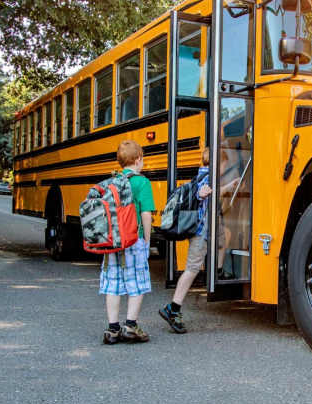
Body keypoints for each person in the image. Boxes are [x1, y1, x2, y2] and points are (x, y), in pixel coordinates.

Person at [159, 146, 236, 333]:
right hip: (201, 231)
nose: (225, 167)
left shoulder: (203, 174)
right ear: (219, 162)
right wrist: (204, 193)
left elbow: (211, 192)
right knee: (192, 269)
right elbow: (204, 192)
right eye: (224, 163)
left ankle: (217, 271)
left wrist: (226, 187)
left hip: (207, 229)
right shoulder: (208, 177)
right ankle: (173, 308)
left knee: (224, 237)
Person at [101, 140, 156, 344]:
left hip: (112, 240)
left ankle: (112, 329)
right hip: (133, 240)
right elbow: (146, 214)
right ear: (138, 159)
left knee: (113, 283)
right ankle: (130, 325)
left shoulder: (111, 181)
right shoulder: (142, 182)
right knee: (137, 282)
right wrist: (147, 241)